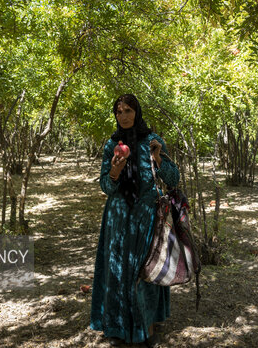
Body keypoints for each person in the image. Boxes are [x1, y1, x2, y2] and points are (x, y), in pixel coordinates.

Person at [90, 94, 180, 347]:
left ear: (137, 112)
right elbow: (106, 187)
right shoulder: (112, 145)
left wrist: (159, 158)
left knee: (146, 271)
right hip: (118, 218)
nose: (124, 116)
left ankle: (146, 328)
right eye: (119, 112)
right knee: (118, 271)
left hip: (147, 216)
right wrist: (115, 171)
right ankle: (118, 329)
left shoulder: (152, 141)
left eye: (128, 110)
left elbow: (173, 179)